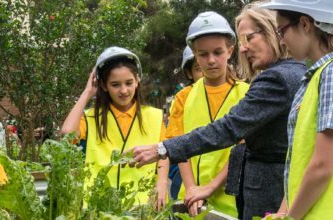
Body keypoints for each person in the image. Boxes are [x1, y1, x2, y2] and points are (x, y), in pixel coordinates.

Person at [128, 3, 307, 219]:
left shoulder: (276, 79)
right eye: (242, 41)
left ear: (271, 32)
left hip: (264, 194)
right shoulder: (299, 72)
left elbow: (227, 128)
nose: (244, 48)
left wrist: (163, 148)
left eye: (249, 38)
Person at [259, 0, 333, 219]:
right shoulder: (316, 77)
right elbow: (303, 163)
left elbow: (323, 165)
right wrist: (283, 211)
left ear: (305, 24)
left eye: (281, 30)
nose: (282, 40)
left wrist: (290, 217)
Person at [164, 11, 249, 218]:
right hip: (190, 202)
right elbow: (178, 146)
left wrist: (210, 187)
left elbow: (243, 149)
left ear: (230, 51)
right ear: (194, 54)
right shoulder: (184, 97)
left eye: (218, 52)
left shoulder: (247, 94)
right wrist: (193, 189)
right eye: (203, 54)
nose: (211, 60)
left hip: (230, 204)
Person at [61, 47, 168, 208]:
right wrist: (87, 92)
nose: (123, 90)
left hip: (142, 207)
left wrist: (161, 184)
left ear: (137, 80)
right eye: (115, 85)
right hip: (99, 208)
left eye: (129, 83)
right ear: (103, 86)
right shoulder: (90, 118)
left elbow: (163, 153)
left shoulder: (154, 116)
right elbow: (67, 134)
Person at [167, 45, 204, 201]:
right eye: (198, 69)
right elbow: (177, 142)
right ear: (189, 73)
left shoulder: (239, 91)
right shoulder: (183, 98)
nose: (208, 68)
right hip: (187, 177)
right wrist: (190, 187)